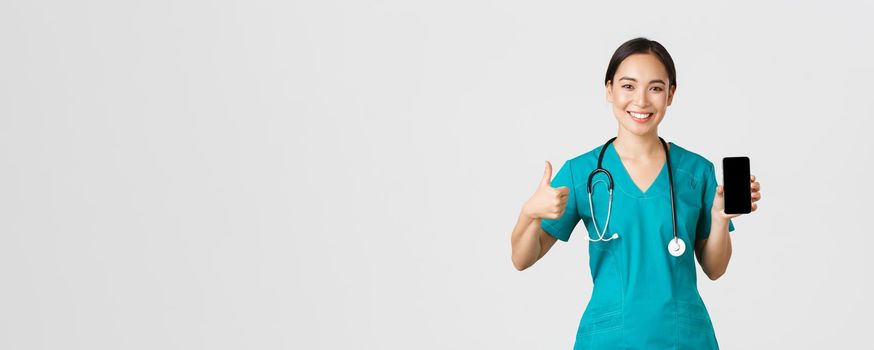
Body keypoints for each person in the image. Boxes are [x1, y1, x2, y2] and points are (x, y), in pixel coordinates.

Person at [509, 37, 763, 349]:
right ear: (609, 90)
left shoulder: (696, 172)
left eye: (655, 88)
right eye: (628, 86)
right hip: (609, 340)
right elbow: (523, 258)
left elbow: (714, 269)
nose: (641, 101)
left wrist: (719, 218)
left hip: (683, 340)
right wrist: (529, 214)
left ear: (670, 95)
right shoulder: (582, 173)